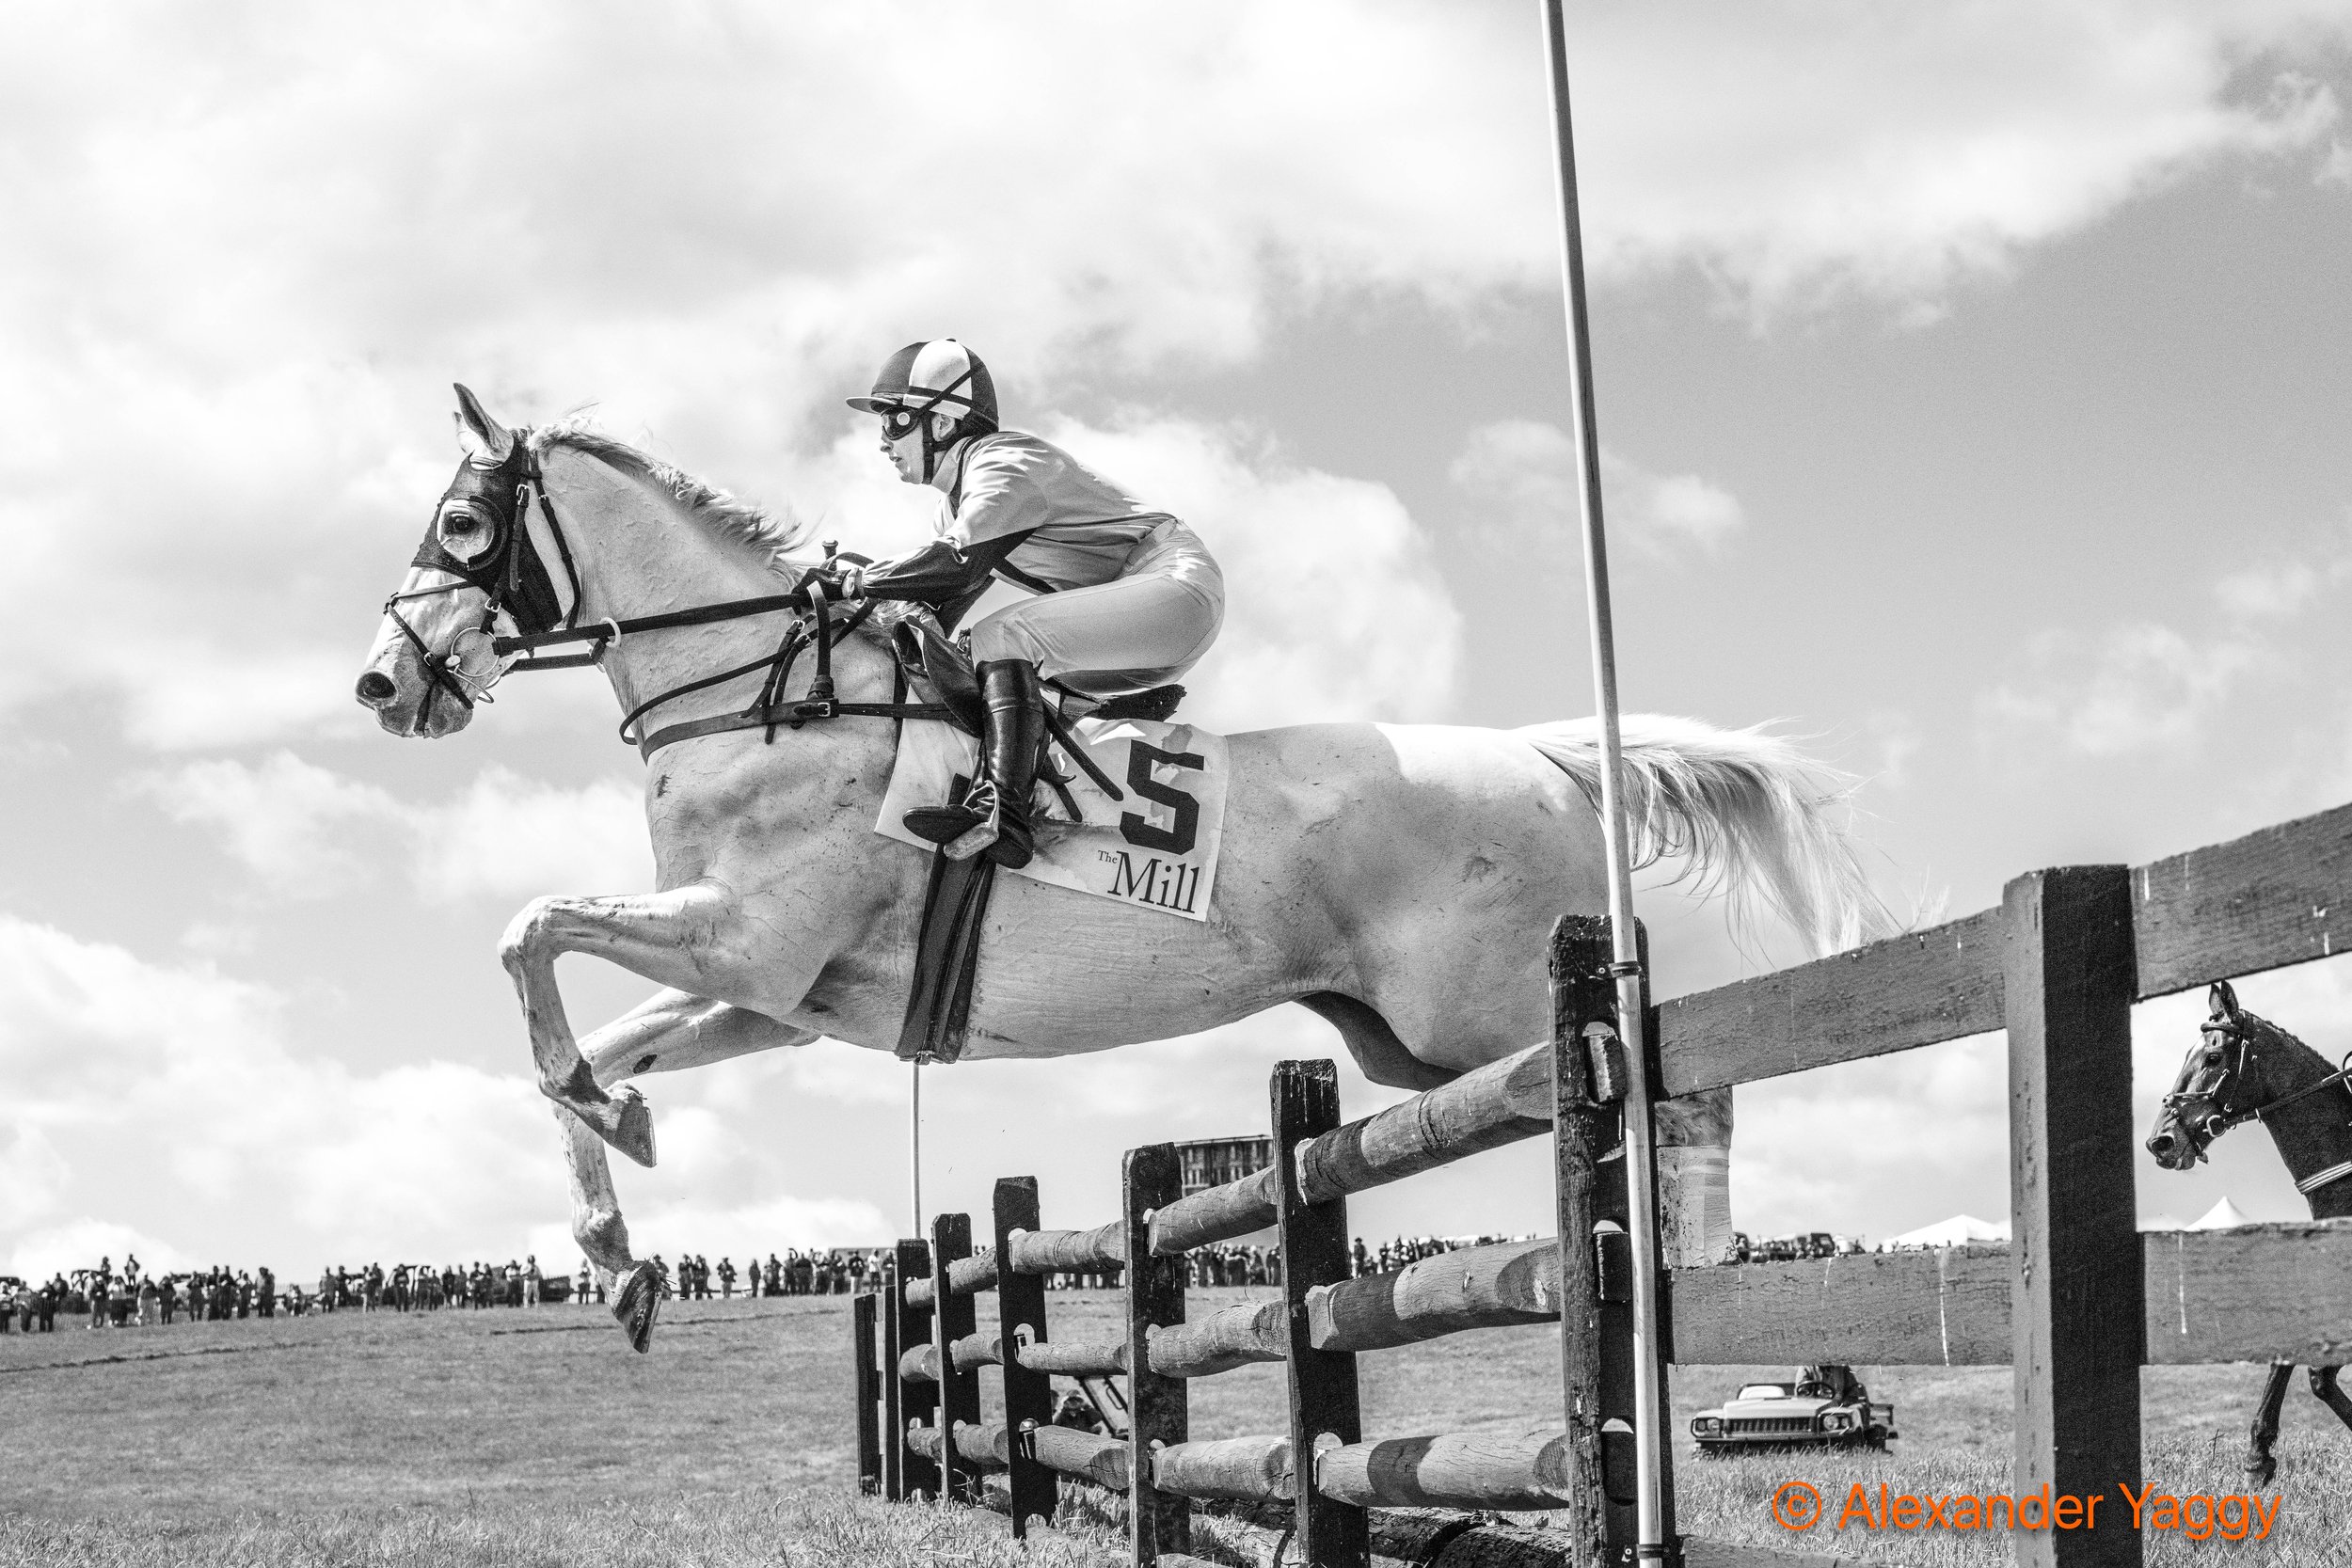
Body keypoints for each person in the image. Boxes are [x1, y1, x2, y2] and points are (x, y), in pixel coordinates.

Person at [817, 340, 1225, 868]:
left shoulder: (1004, 461)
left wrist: (857, 583)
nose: (882, 442)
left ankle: (1003, 811)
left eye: (894, 420)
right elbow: (938, 609)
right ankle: (1089, 719)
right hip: (1137, 632)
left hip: (1176, 587)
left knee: (1000, 639)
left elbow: (951, 567)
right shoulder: (954, 507)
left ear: (942, 422)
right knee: (966, 654)